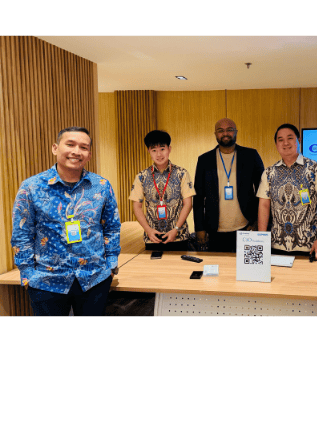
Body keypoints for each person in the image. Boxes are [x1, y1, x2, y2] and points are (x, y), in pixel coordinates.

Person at [11, 127, 121, 317]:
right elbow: (22, 233)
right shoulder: (32, 187)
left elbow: (111, 227)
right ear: (55, 148)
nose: (76, 151)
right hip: (46, 281)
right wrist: (28, 274)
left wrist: (111, 265)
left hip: (94, 279)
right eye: (70, 144)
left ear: (89, 154)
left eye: (83, 147)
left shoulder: (101, 186)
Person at [257, 123, 317, 257]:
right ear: (276, 144)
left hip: (310, 246)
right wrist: (261, 240)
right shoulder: (269, 173)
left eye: (290, 138)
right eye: (280, 140)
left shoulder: (315, 169)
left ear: (299, 140)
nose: (285, 143)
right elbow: (264, 206)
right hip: (276, 245)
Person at [193, 118, 264, 252]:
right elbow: (198, 197)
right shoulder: (204, 160)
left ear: (236, 132)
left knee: (246, 264)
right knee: (218, 265)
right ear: (215, 134)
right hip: (214, 229)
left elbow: (263, 191)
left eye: (229, 130)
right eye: (221, 130)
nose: (225, 133)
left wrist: (257, 221)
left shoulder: (251, 156)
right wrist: (199, 228)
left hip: (246, 227)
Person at [129, 130, 195, 251]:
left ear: (169, 149)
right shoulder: (141, 176)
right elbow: (136, 207)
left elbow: (188, 204)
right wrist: (148, 230)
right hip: (152, 237)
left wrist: (176, 229)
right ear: (148, 151)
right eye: (154, 150)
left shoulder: (182, 173)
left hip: (179, 237)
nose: (159, 154)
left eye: (162, 149)